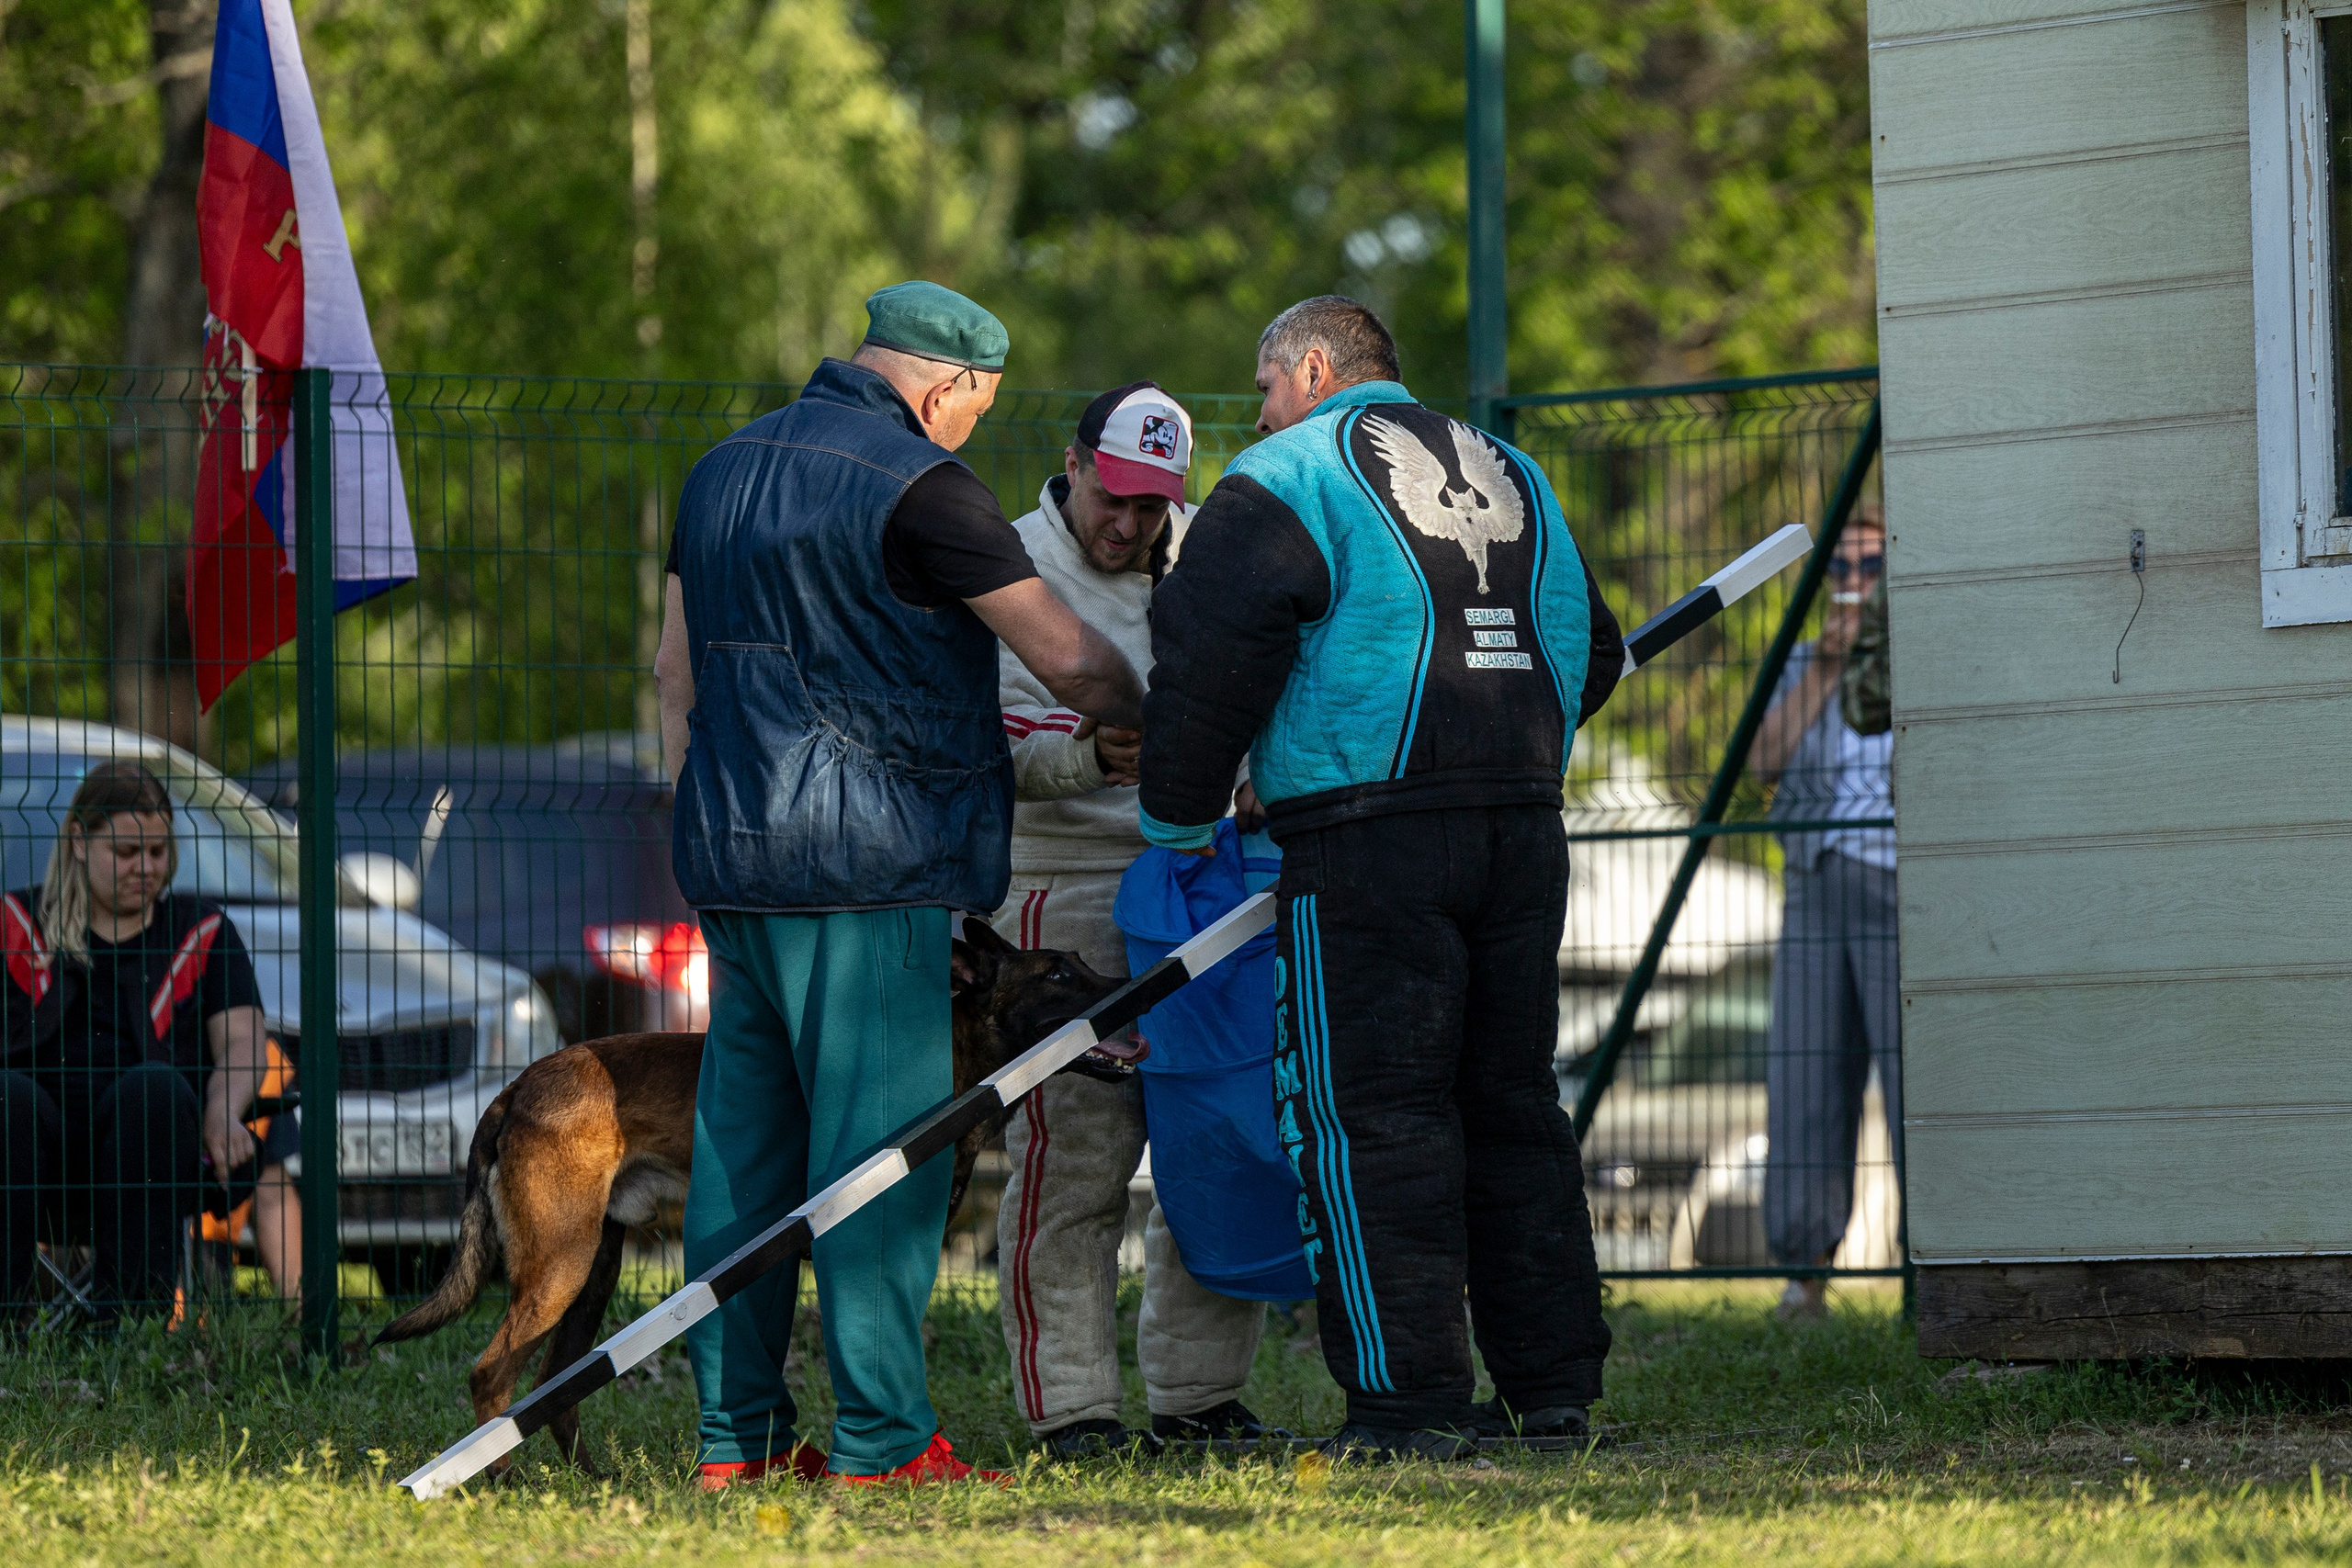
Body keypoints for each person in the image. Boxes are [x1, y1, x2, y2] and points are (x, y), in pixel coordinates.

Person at [656, 281, 1147, 1488]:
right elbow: (1067, 657)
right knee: (880, 1157)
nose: (973, 428)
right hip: (869, 866)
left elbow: (674, 672)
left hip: (735, 857)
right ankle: (882, 1441)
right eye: (979, 406)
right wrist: (1153, 715)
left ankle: (736, 1440)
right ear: (948, 386)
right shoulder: (924, 485)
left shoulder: (718, 473)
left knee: (743, 1157)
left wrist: (703, 815)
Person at [1136, 297, 1625, 1460]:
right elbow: (1593, 650)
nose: (1259, 413)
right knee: (1512, 1105)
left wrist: (1178, 821)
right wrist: (1507, 746)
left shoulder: (1286, 474)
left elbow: (1207, 662)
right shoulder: (1516, 473)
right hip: (1522, 826)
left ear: (1312, 368)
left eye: (1264, 387)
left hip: (1365, 841)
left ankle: (1408, 1406)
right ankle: (1551, 1390)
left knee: (1370, 1117)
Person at [987, 383, 1274, 1458]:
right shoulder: (1002, 564)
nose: (1127, 523)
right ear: (1070, 466)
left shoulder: (1211, 553)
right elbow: (971, 737)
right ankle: (1072, 1410)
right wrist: (1081, 751)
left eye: (1150, 505)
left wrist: (1264, 770)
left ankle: (1200, 1397)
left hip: (1202, 881)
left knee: (1218, 1143)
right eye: (1110, 497)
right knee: (1072, 1160)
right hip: (1061, 884)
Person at [0, 761, 281, 1321]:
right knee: (8, 1096)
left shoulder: (202, 932)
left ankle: (130, 1330)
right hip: (32, 1151)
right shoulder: (15, 924)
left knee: (154, 1090)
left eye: (157, 851)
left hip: (151, 1151)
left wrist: (223, 1112)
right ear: (79, 841)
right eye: (127, 852)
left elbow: (244, 1042)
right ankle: (7, 1328)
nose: (146, 868)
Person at [1751, 504, 1899, 1322]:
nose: (1852, 583)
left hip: (1899, 879)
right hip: (1814, 875)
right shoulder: (1803, 657)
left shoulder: (1916, 649)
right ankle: (1804, 1273)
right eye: (1839, 569)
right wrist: (1825, 670)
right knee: (1805, 1072)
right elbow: (1763, 761)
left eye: (1869, 568)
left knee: (1914, 1075)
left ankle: (1934, 1265)